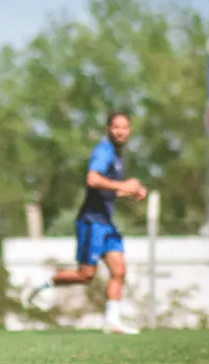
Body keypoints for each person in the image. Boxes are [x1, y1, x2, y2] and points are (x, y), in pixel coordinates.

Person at [25, 111, 146, 334]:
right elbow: (93, 179)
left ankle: (112, 321)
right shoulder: (104, 151)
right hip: (92, 222)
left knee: (119, 270)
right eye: (117, 127)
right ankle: (44, 282)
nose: (121, 132)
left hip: (106, 222)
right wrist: (123, 186)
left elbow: (105, 190)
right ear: (108, 129)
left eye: (125, 128)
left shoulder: (118, 155)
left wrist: (131, 192)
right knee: (85, 275)